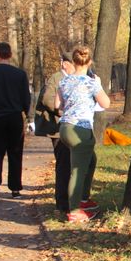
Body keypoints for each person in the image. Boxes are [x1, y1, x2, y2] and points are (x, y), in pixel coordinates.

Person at [35, 50, 97, 214]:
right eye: (73, 65)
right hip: (59, 128)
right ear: (66, 64)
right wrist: (67, 112)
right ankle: (63, 204)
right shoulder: (58, 78)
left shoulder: (75, 79)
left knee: (89, 160)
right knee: (64, 166)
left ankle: (81, 198)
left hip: (71, 126)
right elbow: (48, 100)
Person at [55, 45, 110, 223]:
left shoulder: (64, 81)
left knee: (90, 160)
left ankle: (84, 199)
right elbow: (106, 103)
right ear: (89, 62)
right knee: (77, 171)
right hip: (81, 129)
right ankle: (75, 210)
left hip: (64, 128)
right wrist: (99, 86)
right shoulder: (91, 83)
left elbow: (58, 105)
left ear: (74, 61)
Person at [0, 42, 33, 201]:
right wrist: (29, 118)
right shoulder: (20, 74)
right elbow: (26, 98)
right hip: (15, 117)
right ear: (10, 55)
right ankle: (15, 188)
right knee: (15, 153)